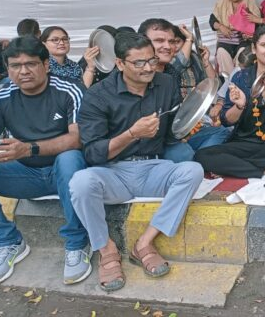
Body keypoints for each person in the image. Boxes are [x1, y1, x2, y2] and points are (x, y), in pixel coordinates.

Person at [70, 32, 204, 292]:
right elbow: (93, 153)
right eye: (139, 63)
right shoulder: (98, 95)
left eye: (152, 60)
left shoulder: (166, 83)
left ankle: (144, 243)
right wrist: (132, 134)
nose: (149, 68)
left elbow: (173, 130)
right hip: (113, 172)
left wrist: (188, 123)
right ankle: (106, 250)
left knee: (193, 170)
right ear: (120, 63)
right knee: (81, 182)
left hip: (153, 167)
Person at [0, 37, 90, 285]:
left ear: (46, 65)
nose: (23, 71)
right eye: (15, 66)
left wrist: (28, 149)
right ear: (7, 69)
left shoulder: (70, 89)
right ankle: (8, 241)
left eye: (31, 64)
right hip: (26, 176)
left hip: (67, 174)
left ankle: (77, 243)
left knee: (69, 158)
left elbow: (77, 139)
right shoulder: (1, 95)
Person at [194, 26, 265, 178]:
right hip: (243, 142)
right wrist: (239, 105)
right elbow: (226, 121)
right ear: (254, 49)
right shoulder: (240, 77)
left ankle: (233, 167)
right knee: (202, 156)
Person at [138, 19, 229, 161]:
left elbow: (212, 83)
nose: (168, 46)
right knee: (185, 156)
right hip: (144, 143)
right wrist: (189, 39)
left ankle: (201, 160)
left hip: (174, 136)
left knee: (221, 132)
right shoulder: (136, 74)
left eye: (172, 41)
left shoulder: (171, 73)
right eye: (159, 41)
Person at [210, 0, 261, 78]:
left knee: (243, 53)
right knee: (221, 52)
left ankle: (240, 80)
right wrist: (221, 27)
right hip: (227, 39)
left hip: (245, 39)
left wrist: (249, 32)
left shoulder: (250, 2)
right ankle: (230, 81)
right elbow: (212, 20)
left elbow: (258, 23)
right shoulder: (221, 3)